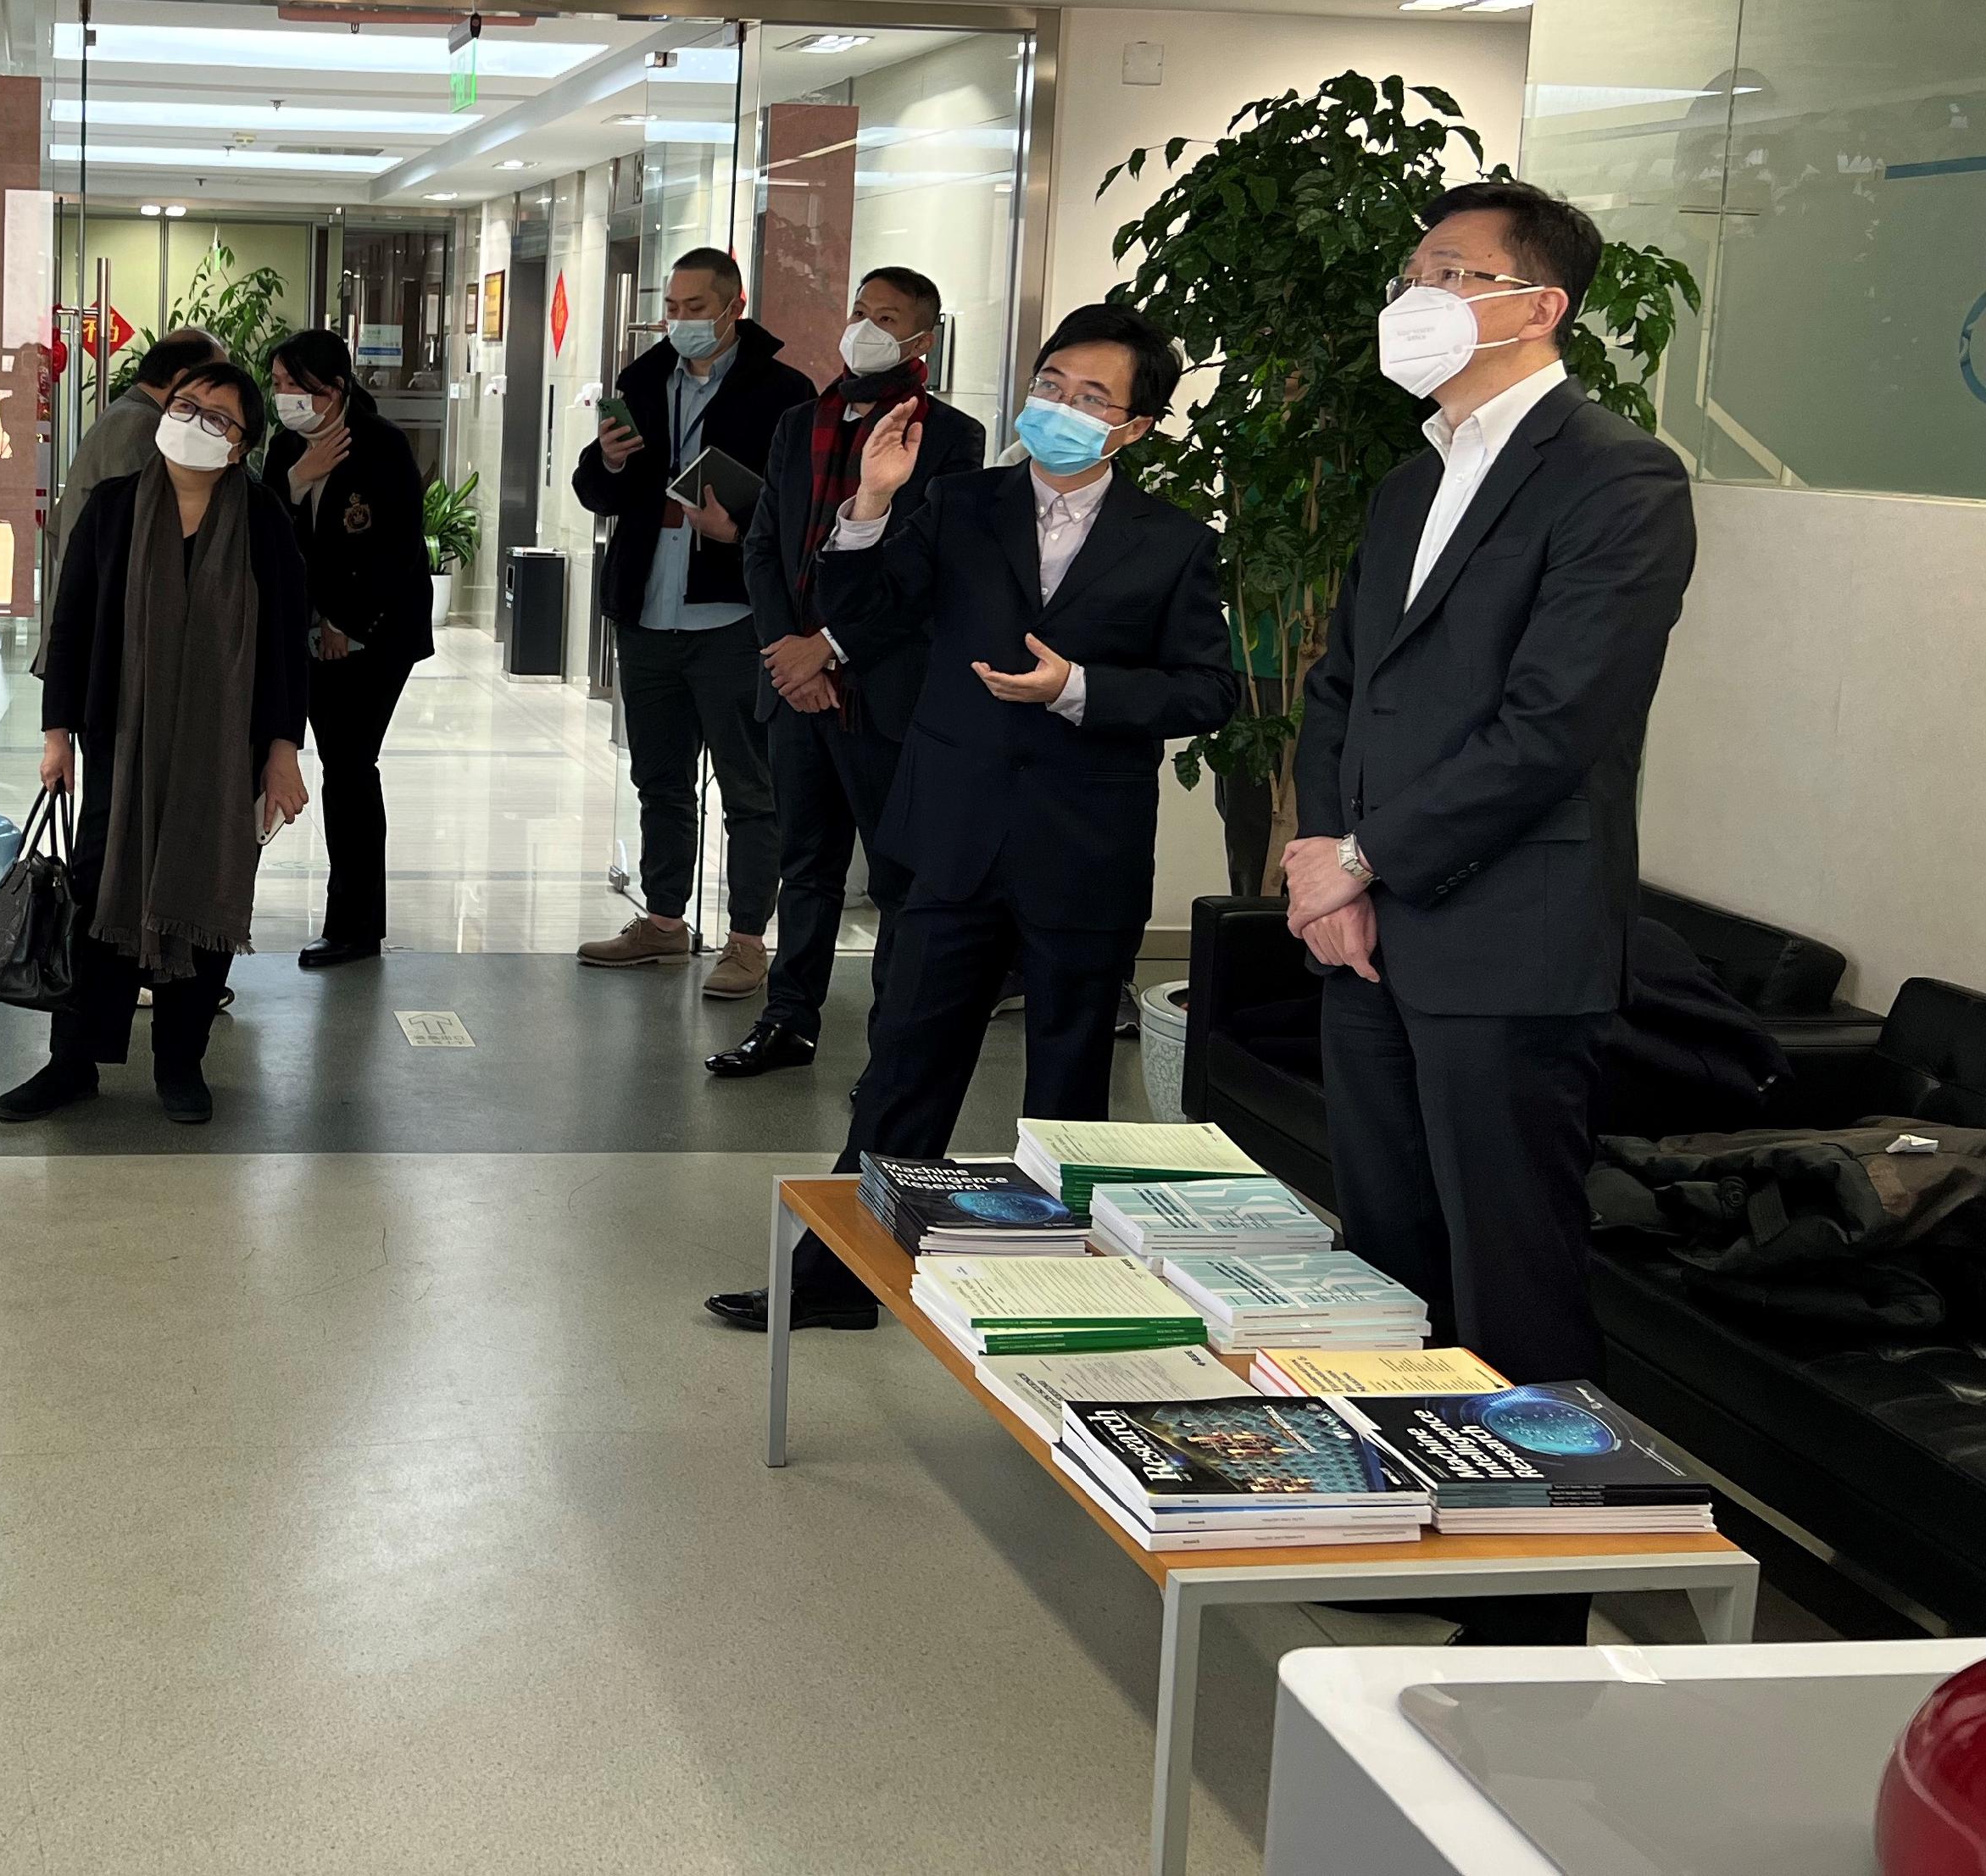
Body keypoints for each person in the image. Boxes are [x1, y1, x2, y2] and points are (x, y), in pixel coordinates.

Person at [707, 303, 1235, 1332]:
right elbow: (861, 615)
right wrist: (868, 502)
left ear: (1134, 428)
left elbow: (1204, 692)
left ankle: (1061, 1293)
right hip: (952, 830)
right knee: (905, 1060)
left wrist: (1077, 687)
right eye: (1049, 386)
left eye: (1092, 399)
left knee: (1070, 1079)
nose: (1062, 410)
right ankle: (836, 1281)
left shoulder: (1174, 543)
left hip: (1084, 845)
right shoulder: (957, 502)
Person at [1286, 180, 1696, 1391]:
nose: (1418, 296)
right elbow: (1341, 690)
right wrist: (1327, 866)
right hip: (1366, 933)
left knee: (1510, 1272)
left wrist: (1367, 858)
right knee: (1387, 1257)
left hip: (1507, 938)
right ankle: (1396, 1515)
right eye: (1415, 273)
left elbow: (1553, 726)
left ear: (1540, 306)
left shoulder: (1619, 478)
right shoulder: (1411, 478)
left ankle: (1528, 1578)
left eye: (1453, 274)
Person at [0, 360, 312, 1128]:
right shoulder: (111, 510)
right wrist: (56, 735)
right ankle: (72, 1062)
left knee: (202, 893)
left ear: (240, 447)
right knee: (100, 897)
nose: (197, 423)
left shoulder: (264, 521)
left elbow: (282, 648)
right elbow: (69, 631)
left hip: (222, 755)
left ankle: (181, 1062)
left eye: (220, 418)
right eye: (187, 405)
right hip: (120, 749)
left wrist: (282, 751)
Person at [715, 266, 985, 1077]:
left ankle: (894, 1041)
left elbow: (925, 570)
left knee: (896, 872)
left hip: (883, 688)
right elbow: (764, 548)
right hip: (796, 686)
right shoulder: (802, 423)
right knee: (807, 867)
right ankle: (789, 1020)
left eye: (887, 316)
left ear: (923, 337)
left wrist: (829, 647)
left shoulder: (951, 437)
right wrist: (789, 655)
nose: (865, 327)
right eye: (858, 310)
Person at [570, 248, 815, 1000]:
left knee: (749, 786)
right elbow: (597, 491)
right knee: (659, 778)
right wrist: (607, 464)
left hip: (733, 616)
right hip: (648, 612)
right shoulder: (642, 380)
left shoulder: (783, 392)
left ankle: (747, 941)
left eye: (694, 308)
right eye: (671, 308)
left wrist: (737, 531)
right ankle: (664, 922)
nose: (679, 322)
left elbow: (802, 508)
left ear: (733, 307)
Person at [262, 328, 436, 969]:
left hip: (378, 632)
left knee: (350, 766)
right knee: (341, 763)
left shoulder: (382, 445)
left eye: (293, 385)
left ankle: (356, 927)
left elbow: (396, 550)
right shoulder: (285, 447)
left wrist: (344, 619)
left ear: (331, 390)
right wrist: (298, 480)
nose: (283, 397)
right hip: (308, 632)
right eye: (276, 385)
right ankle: (352, 923)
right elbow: (268, 534)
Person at [33, 326, 221, 677]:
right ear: (183, 380)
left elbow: (59, 528)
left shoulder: (127, 414)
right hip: (106, 642)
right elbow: (143, 540)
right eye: (217, 381)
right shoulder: (144, 427)